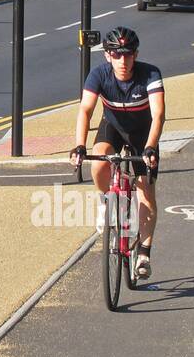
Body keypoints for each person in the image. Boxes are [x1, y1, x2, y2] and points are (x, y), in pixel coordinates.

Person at [70, 27, 165, 279]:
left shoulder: (150, 74)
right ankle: (105, 201)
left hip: (143, 134)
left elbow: (158, 115)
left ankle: (143, 254)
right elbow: (85, 110)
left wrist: (151, 147)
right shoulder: (99, 75)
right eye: (117, 55)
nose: (123, 61)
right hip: (112, 127)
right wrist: (80, 145)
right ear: (107, 56)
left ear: (136, 55)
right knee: (98, 161)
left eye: (128, 55)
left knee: (145, 189)